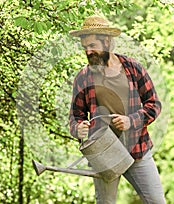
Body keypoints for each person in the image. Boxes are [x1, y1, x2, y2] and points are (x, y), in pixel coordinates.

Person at [68, 15, 166, 204]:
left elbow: (154, 104)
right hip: (103, 154)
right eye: (85, 47)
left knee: (157, 201)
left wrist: (131, 120)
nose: (89, 51)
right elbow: (75, 117)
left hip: (138, 151)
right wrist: (78, 128)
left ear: (107, 42)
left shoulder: (133, 68)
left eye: (93, 45)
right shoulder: (83, 77)